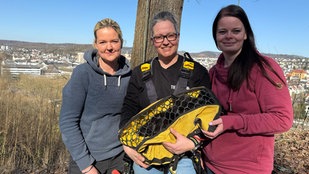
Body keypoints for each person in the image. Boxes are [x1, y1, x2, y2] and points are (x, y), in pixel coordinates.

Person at [201, 4, 294, 174]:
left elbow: (283, 119)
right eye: (222, 32)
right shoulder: (213, 72)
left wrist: (234, 121)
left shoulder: (262, 68)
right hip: (211, 164)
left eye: (236, 31)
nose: (229, 36)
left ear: (245, 34)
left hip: (246, 168)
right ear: (215, 36)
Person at [120, 11, 211, 174]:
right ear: (153, 41)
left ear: (178, 36)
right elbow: (129, 109)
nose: (166, 42)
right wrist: (127, 144)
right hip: (148, 151)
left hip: (184, 155)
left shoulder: (197, 72)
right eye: (159, 37)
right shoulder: (140, 73)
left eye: (171, 36)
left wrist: (192, 143)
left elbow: (208, 114)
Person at [59, 18, 131, 174]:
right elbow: (68, 122)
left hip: (120, 157)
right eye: (103, 42)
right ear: (96, 45)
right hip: (88, 158)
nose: (109, 47)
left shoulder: (129, 77)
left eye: (114, 41)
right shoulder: (83, 74)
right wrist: (87, 166)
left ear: (121, 43)